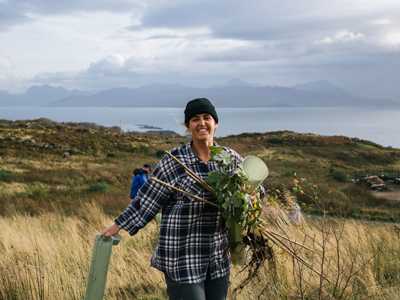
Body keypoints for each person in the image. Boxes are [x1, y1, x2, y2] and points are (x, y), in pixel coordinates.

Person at [102, 98, 243, 300]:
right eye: (195, 119)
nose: (202, 123)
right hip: (182, 257)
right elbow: (147, 200)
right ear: (188, 126)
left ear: (216, 123)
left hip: (217, 258)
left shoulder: (231, 160)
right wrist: (117, 226)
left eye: (207, 117)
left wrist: (253, 197)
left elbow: (252, 192)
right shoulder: (175, 162)